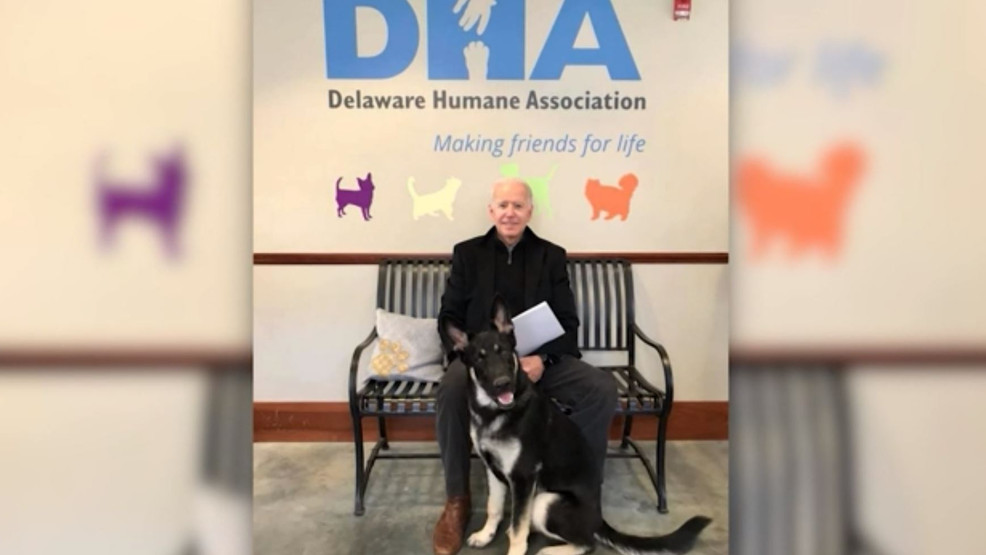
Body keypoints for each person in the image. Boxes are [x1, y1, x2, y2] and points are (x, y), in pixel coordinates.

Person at [431, 177, 618, 555]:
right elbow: (449, 315)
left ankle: (579, 494)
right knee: (451, 389)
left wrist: (543, 360)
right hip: (484, 360)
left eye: (518, 205)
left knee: (601, 388)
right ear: (491, 211)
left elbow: (568, 322)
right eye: (503, 205)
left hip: (540, 358)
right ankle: (457, 499)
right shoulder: (467, 254)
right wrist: (469, 357)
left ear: (530, 211)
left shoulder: (551, 256)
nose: (510, 213)